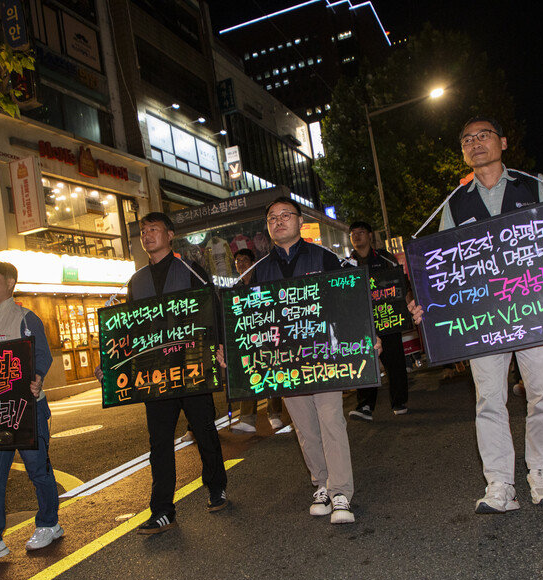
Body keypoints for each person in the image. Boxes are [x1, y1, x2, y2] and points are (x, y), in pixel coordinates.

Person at [409, 116, 543, 515]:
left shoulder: (535, 186)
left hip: (537, 309)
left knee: (542, 395)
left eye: (484, 135)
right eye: (467, 139)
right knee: (490, 400)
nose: (476, 143)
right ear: (463, 152)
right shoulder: (455, 204)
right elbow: (443, 265)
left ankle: (540, 473)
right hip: (484, 319)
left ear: (503, 141)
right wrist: (425, 301)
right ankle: (500, 483)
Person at [237, 197, 366, 524]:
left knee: (331, 422)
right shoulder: (261, 269)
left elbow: (345, 301)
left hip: (324, 357)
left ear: (299, 221)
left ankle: (341, 493)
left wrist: (363, 339)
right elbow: (255, 320)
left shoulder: (324, 257)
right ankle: (320, 484)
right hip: (286, 362)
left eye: (285, 216)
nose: (279, 221)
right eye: (272, 218)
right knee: (306, 430)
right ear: (268, 227)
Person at [104, 211, 228, 534]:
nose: (147, 235)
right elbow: (128, 329)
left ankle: (216, 487)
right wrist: (111, 364)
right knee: (159, 443)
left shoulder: (190, 270)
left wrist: (219, 346)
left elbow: (211, 308)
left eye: (154, 229)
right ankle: (162, 510)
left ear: (170, 235)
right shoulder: (136, 281)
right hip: (155, 375)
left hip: (192, 367)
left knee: (204, 430)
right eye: (143, 231)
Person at [0, 260, 63, 566]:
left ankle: (49, 524)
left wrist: (38, 377)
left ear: (10, 283)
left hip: (28, 408)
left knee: (38, 470)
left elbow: (41, 355)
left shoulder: (24, 317)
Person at [345, 221, 410, 421]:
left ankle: (399, 401)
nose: (357, 236)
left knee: (395, 361)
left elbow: (401, 282)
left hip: (388, 318)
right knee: (364, 362)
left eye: (361, 232)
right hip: (362, 323)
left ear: (370, 235)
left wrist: (408, 308)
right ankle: (365, 406)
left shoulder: (385, 258)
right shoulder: (346, 265)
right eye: (353, 234)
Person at [231, 248, 284, 433]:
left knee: (271, 373)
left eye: (245, 260)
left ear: (253, 262)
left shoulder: (263, 282)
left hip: (268, 336)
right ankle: (247, 419)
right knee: (249, 375)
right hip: (246, 338)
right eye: (238, 261)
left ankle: (275, 414)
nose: (241, 264)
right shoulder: (235, 288)